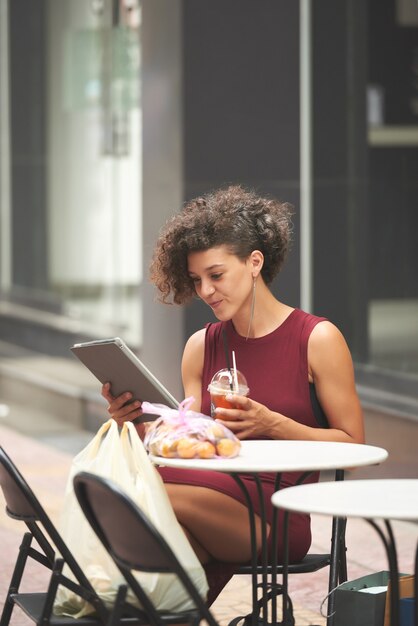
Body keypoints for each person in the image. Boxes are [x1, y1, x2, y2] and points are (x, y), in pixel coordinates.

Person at [102, 184, 365, 604]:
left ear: (255, 262)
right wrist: (134, 422)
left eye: (216, 275)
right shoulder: (199, 346)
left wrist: (272, 424)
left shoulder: (316, 339)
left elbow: (353, 445)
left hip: (275, 515)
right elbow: (194, 446)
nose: (205, 291)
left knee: (137, 495)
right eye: (196, 280)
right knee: (170, 564)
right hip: (202, 499)